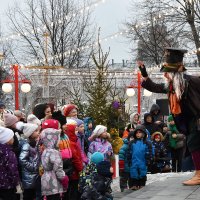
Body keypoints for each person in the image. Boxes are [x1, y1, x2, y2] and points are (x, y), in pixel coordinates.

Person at [138, 47, 200, 185]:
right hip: (187, 120)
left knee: (194, 144)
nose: (165, 75)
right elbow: (154, 87)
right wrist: (144, 73)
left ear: (175, 73)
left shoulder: (189, 82)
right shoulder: (171, 86)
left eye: (168, 73)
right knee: (193, 145)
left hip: (196, 118)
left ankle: (199, 175)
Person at [40, 123, 69, 200]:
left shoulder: (45, 151)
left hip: (45, 180)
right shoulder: (54, 152)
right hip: (54, 182)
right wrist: (64, 179)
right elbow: (58, 169)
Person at [19, 123, 40, 200]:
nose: (38, 132)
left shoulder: (35, 143)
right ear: (30, 133)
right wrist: (33, 167)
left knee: (34, 194)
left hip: (34, 175)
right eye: (36, 131)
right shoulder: (26, 145)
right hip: (29, 176)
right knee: (28, 195)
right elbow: (22, 159)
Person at [128, 125, 153, 190]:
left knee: (142, 172)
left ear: (144, 133)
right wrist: (129, 160)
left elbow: (150, 152)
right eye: (136, 132)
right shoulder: (132, 143)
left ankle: (142, 184)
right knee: (134, 172)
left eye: (140, 132)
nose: (138, 134)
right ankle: (135, 185)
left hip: (143, 161)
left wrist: (149, 160)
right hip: (134, 161)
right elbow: (129, 152)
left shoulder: (147, 143)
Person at [0, 127, 20, 200]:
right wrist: (16, 182)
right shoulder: (9, 153)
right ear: (7, 140)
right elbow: (13, 170)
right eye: (12, 138)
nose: (14, 139)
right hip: (8, 184)